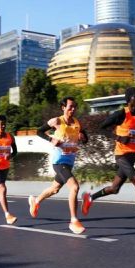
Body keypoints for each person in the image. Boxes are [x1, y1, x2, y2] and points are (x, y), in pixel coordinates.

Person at [80, 87, 135, 243]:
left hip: (133, 156)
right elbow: (101, 128)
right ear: (129, 99)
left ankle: (89, 198)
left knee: (114, 189)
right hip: (121, 156)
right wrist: (119, 137)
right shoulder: (121, 114)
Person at [28, 97, 88, 234]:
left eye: (74, 107)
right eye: (70, 106)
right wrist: (51, 139)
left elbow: (85, 138)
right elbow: (39, 131)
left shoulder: (77, 123)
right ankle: (73, 221)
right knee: (74, 187)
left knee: (55, 189)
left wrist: (83, 138)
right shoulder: (56, 121)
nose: (73, 109)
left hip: (69, 162)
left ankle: (35, 201)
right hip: (59, 161)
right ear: (63, 108)